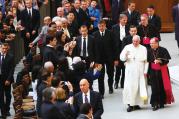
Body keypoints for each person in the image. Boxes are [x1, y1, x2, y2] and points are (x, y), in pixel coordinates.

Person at [120, 35, 148, 112]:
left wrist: (145, 71)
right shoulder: (127, 47)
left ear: (140, 41)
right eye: (134, 41)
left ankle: (137, 104)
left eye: (137, 41)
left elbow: (146, 61)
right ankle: (130, 105)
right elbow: (121, 57)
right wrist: (125, 56)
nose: (135, 43)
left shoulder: (143, 48)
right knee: (129, 88)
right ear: (132, 40)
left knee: (139, 88)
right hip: (130, 72)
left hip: (140, 72)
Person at [147, 38, 174, 111]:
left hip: (162, 71)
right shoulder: (149, 51)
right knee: (154, 87)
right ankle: (155, 103)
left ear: (157, 43)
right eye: (150, 43)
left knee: (162, 86)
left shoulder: (163, 50)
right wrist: (147, 73)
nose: (151, 44)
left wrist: (160, 60)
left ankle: (162, 102)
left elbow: (167, 60)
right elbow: (148, 62)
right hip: (153, 71)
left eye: (152, 43)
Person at [93, 20, 116, 96]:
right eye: (100, 26)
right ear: (98, 26)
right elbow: (93, 49)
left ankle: (110, 87)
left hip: (109, 58)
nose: (101, 27)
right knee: (100, 76)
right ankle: (101, 92)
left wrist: (115, 59)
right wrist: (95, 61)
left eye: (102, 26)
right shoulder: (94, 34)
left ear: (105, 26)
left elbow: (114, 47)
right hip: (99, 59)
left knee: (110, 74)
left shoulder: (110, 33)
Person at [112, 14, 129, 89]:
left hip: (126, 50)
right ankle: (116, 82)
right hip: (117, 50)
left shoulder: (128, 27)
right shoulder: (114, 27)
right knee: (118, 68)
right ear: (120, 19)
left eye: (126, 20)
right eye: (124, 20)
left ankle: (123, 83)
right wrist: (114, 58)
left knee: (125, 69)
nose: (125, 21)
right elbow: (112, 40)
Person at [0, 43, 14, 118]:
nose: (4, 50)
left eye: (6, 49)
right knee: (1, 96)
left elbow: (12, 69)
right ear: (0, 48)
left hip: (7, 79)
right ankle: (3, 112)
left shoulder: (10, 57)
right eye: (3, 48)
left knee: (8, 95)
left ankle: (7, 109)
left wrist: (8, 79)